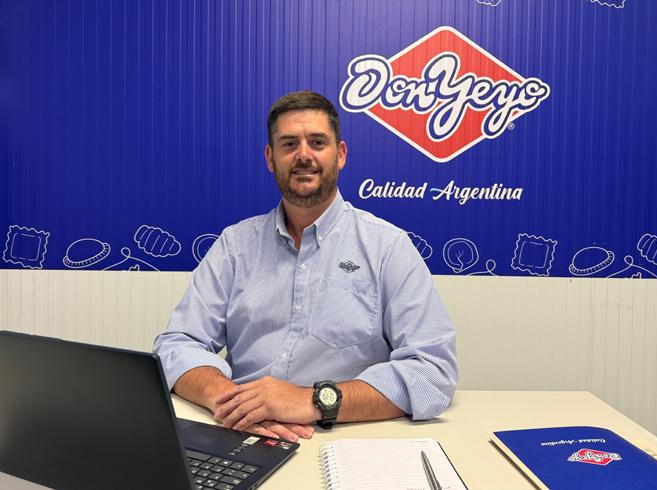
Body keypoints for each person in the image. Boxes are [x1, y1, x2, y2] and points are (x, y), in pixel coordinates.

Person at [153, 90, 457, 443]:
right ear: (271, 158)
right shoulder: (235, 246)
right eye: (289, 144)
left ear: (340, 154)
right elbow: (176, 345)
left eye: (317, 142)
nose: (303, 155)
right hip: (244, 433)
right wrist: (235, 403)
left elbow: (433, 371)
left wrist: (312, 401)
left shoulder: (387, 248)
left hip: (347, 439)